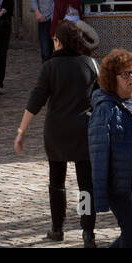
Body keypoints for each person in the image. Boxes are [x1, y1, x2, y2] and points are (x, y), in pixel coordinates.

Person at [16, 19, 99, 247]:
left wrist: (21, 131)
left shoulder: (50, 67)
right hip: (83, 129)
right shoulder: (90, 64)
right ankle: (88, 231)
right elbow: (101, 98)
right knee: (86, 184)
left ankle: (57, 228)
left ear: (59, 42)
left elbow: (36, 101)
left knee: (57, 181)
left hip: (57, 130)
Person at [88, 49, 132, 247]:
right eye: (125, 74)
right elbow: (99, 152)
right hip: (121, 182)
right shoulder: (105, 108)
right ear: (112, 78)